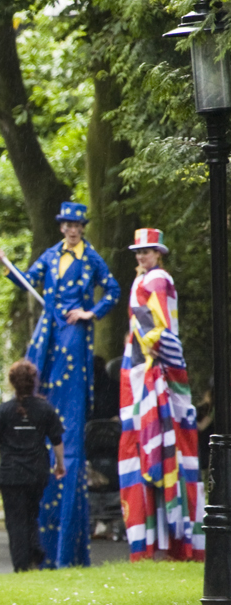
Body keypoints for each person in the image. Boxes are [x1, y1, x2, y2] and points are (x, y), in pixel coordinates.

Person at [5, 201, 120, 567]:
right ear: (61, 228)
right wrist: (3, 262)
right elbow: (27, 279)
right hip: (48, 330)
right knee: (35, 381)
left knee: (67, 398)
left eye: (77, 224)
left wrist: (91, 312)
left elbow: (114, 290)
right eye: (68, 224)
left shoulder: (91, 259)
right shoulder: (52, 255)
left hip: (73, 331)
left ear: (83, 227)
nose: (72, 229)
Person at [118, 229, 205, 561]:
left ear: (159, 253)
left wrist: (157, 362)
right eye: (138, 251)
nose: (142, 256)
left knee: (162, 447)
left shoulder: (156, 280)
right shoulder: (146, 279)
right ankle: (164, 540)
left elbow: (160, 329)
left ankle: (169, 541)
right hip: (143, 371)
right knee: (155, 448)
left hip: (153, 373)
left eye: (148, 251)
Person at [0, 361, 66, 571]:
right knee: (31, 514)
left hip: (11, 474)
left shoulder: (4, 410)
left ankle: (21, 564)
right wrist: (59, 464)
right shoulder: (45, 409)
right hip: (37, 471)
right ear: (34, 382)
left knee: (15, 520)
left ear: (12, 383)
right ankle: (34, 549)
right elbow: (56, 440)